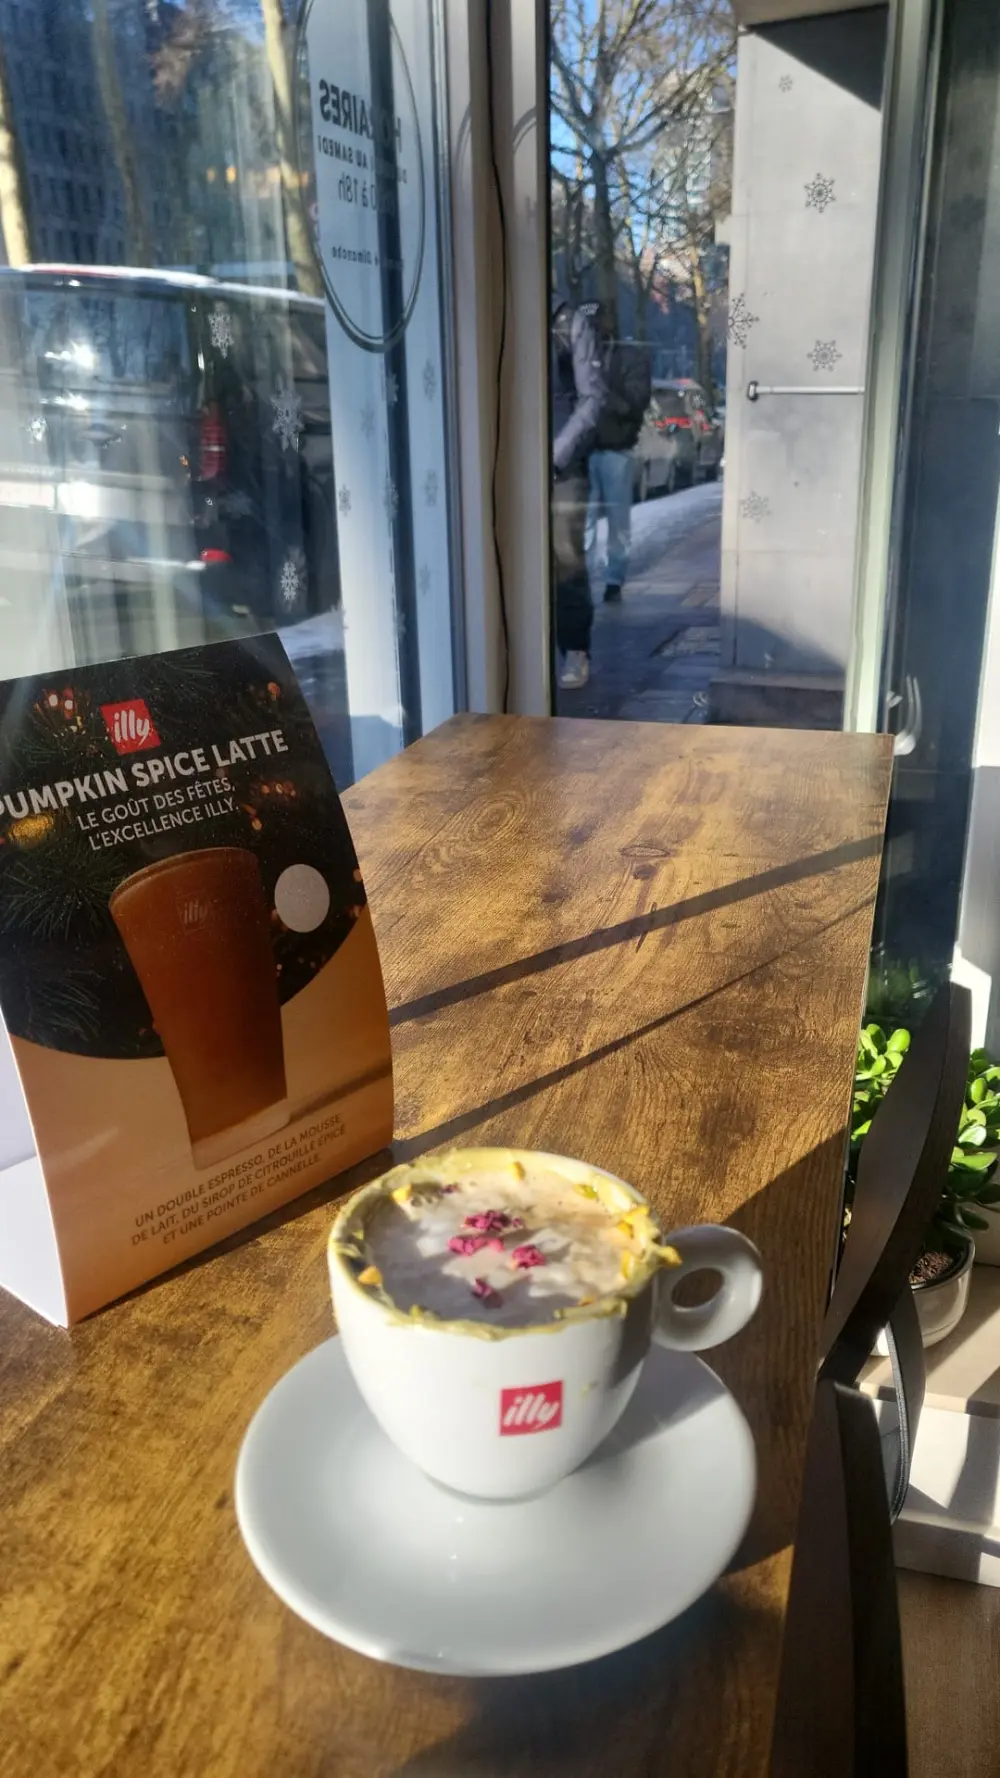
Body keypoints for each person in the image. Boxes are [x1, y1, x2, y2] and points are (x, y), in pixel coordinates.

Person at [551, 298, 606, 691]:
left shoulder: (568, 321)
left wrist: (556, 454)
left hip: (563, 465)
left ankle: (574, 648)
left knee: (565, 554)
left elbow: (592, 397)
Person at [585, 310, 652, 604]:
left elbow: (634, 403)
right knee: (585, 519)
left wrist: (603, 394)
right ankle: (585, 578)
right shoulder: (579, 355)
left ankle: (613, 579)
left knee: (616, 520)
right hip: (587, 448)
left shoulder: (628, 358)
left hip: (615, 448)